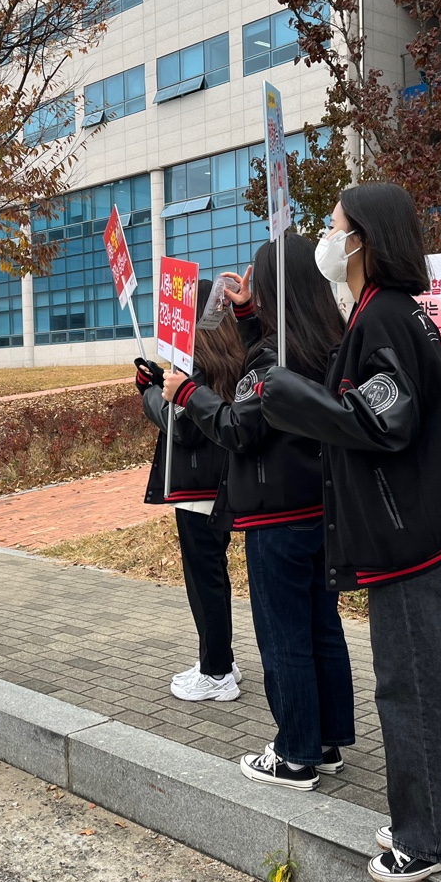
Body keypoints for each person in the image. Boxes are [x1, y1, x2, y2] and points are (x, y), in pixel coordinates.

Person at [261, 183, 441, 882]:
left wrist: (296, 400)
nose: (328, 240)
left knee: (411, 685)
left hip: (407, 534)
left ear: (364, 240)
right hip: (412, 526)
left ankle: (435, 833)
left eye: (335, 228)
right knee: (425, 679)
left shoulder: (384, 315)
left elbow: (383, 420)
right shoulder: (386, 311)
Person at [163, 234, 355, 792]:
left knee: (282, 634)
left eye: (258, 281)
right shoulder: (330, 342)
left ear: (275, 287)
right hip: (321, 508)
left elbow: (237, 427)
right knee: (322, 626)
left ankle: (294, 754)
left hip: (275, 516)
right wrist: (247, 317)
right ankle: (325, 740)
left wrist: (186, 394)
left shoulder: (272, 359)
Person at [135, 278, 245, 702]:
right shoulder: (234, 352)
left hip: (198, 485)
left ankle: (216, 672)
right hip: (223, 479)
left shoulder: (196, 363)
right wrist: (161, 382)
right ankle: (221, 658)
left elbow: (180, 424)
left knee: (204, 579)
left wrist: (149, 394)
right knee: (214, 572)